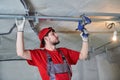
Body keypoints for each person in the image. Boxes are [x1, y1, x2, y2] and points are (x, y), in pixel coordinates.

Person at [16, 17, 89, 80]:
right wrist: (20, 30)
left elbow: (83, 55)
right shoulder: (39, 54)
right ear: (46, 39)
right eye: (53, 34)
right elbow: (21, 53)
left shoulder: (64, 51)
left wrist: (85, 39)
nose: (57, 35)